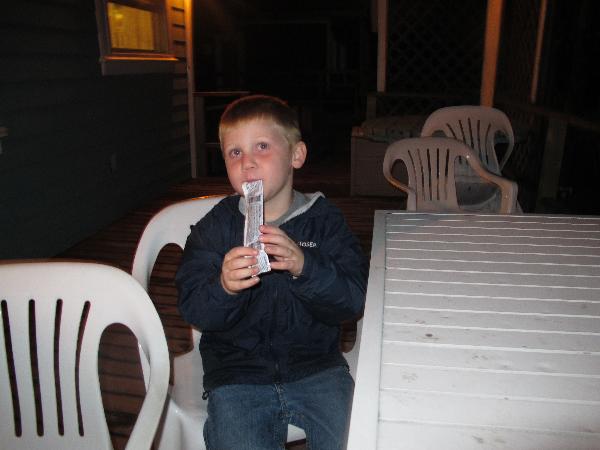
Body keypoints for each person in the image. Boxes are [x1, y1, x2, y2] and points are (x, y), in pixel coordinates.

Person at [176, 94, 367, 450]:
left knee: (357, 437)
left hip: (317, 368)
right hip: (237, 375)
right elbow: (193, 307)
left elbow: (352, 299)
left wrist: (306, 267)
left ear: (296, 155)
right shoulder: (213, 230)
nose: (247, 163)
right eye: (235, 152)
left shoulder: (324, 222)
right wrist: (224, 287)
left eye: (261, 146)